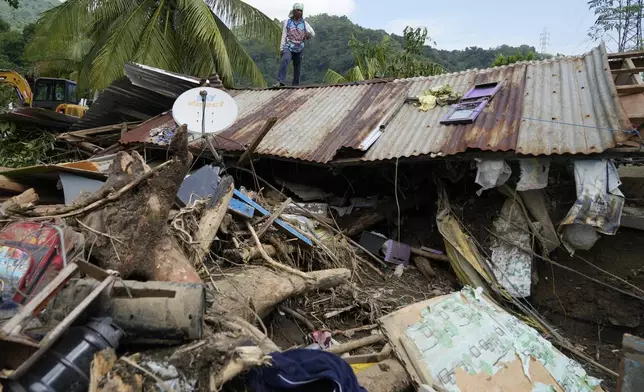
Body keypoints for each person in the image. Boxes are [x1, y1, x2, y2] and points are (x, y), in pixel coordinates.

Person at [277, 3, 315, 87]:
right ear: (294, 11)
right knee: (285, 59)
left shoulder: (304, 23)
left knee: (297, 67)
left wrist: (308, 35)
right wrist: (281, 48)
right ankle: (281, 81)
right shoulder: (287, 22)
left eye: (301, 11)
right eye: (298, 10)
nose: (300, 12)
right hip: (289, 46)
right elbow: (284, 35)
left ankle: (295, 85)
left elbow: (312, 33)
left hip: (299, 47)